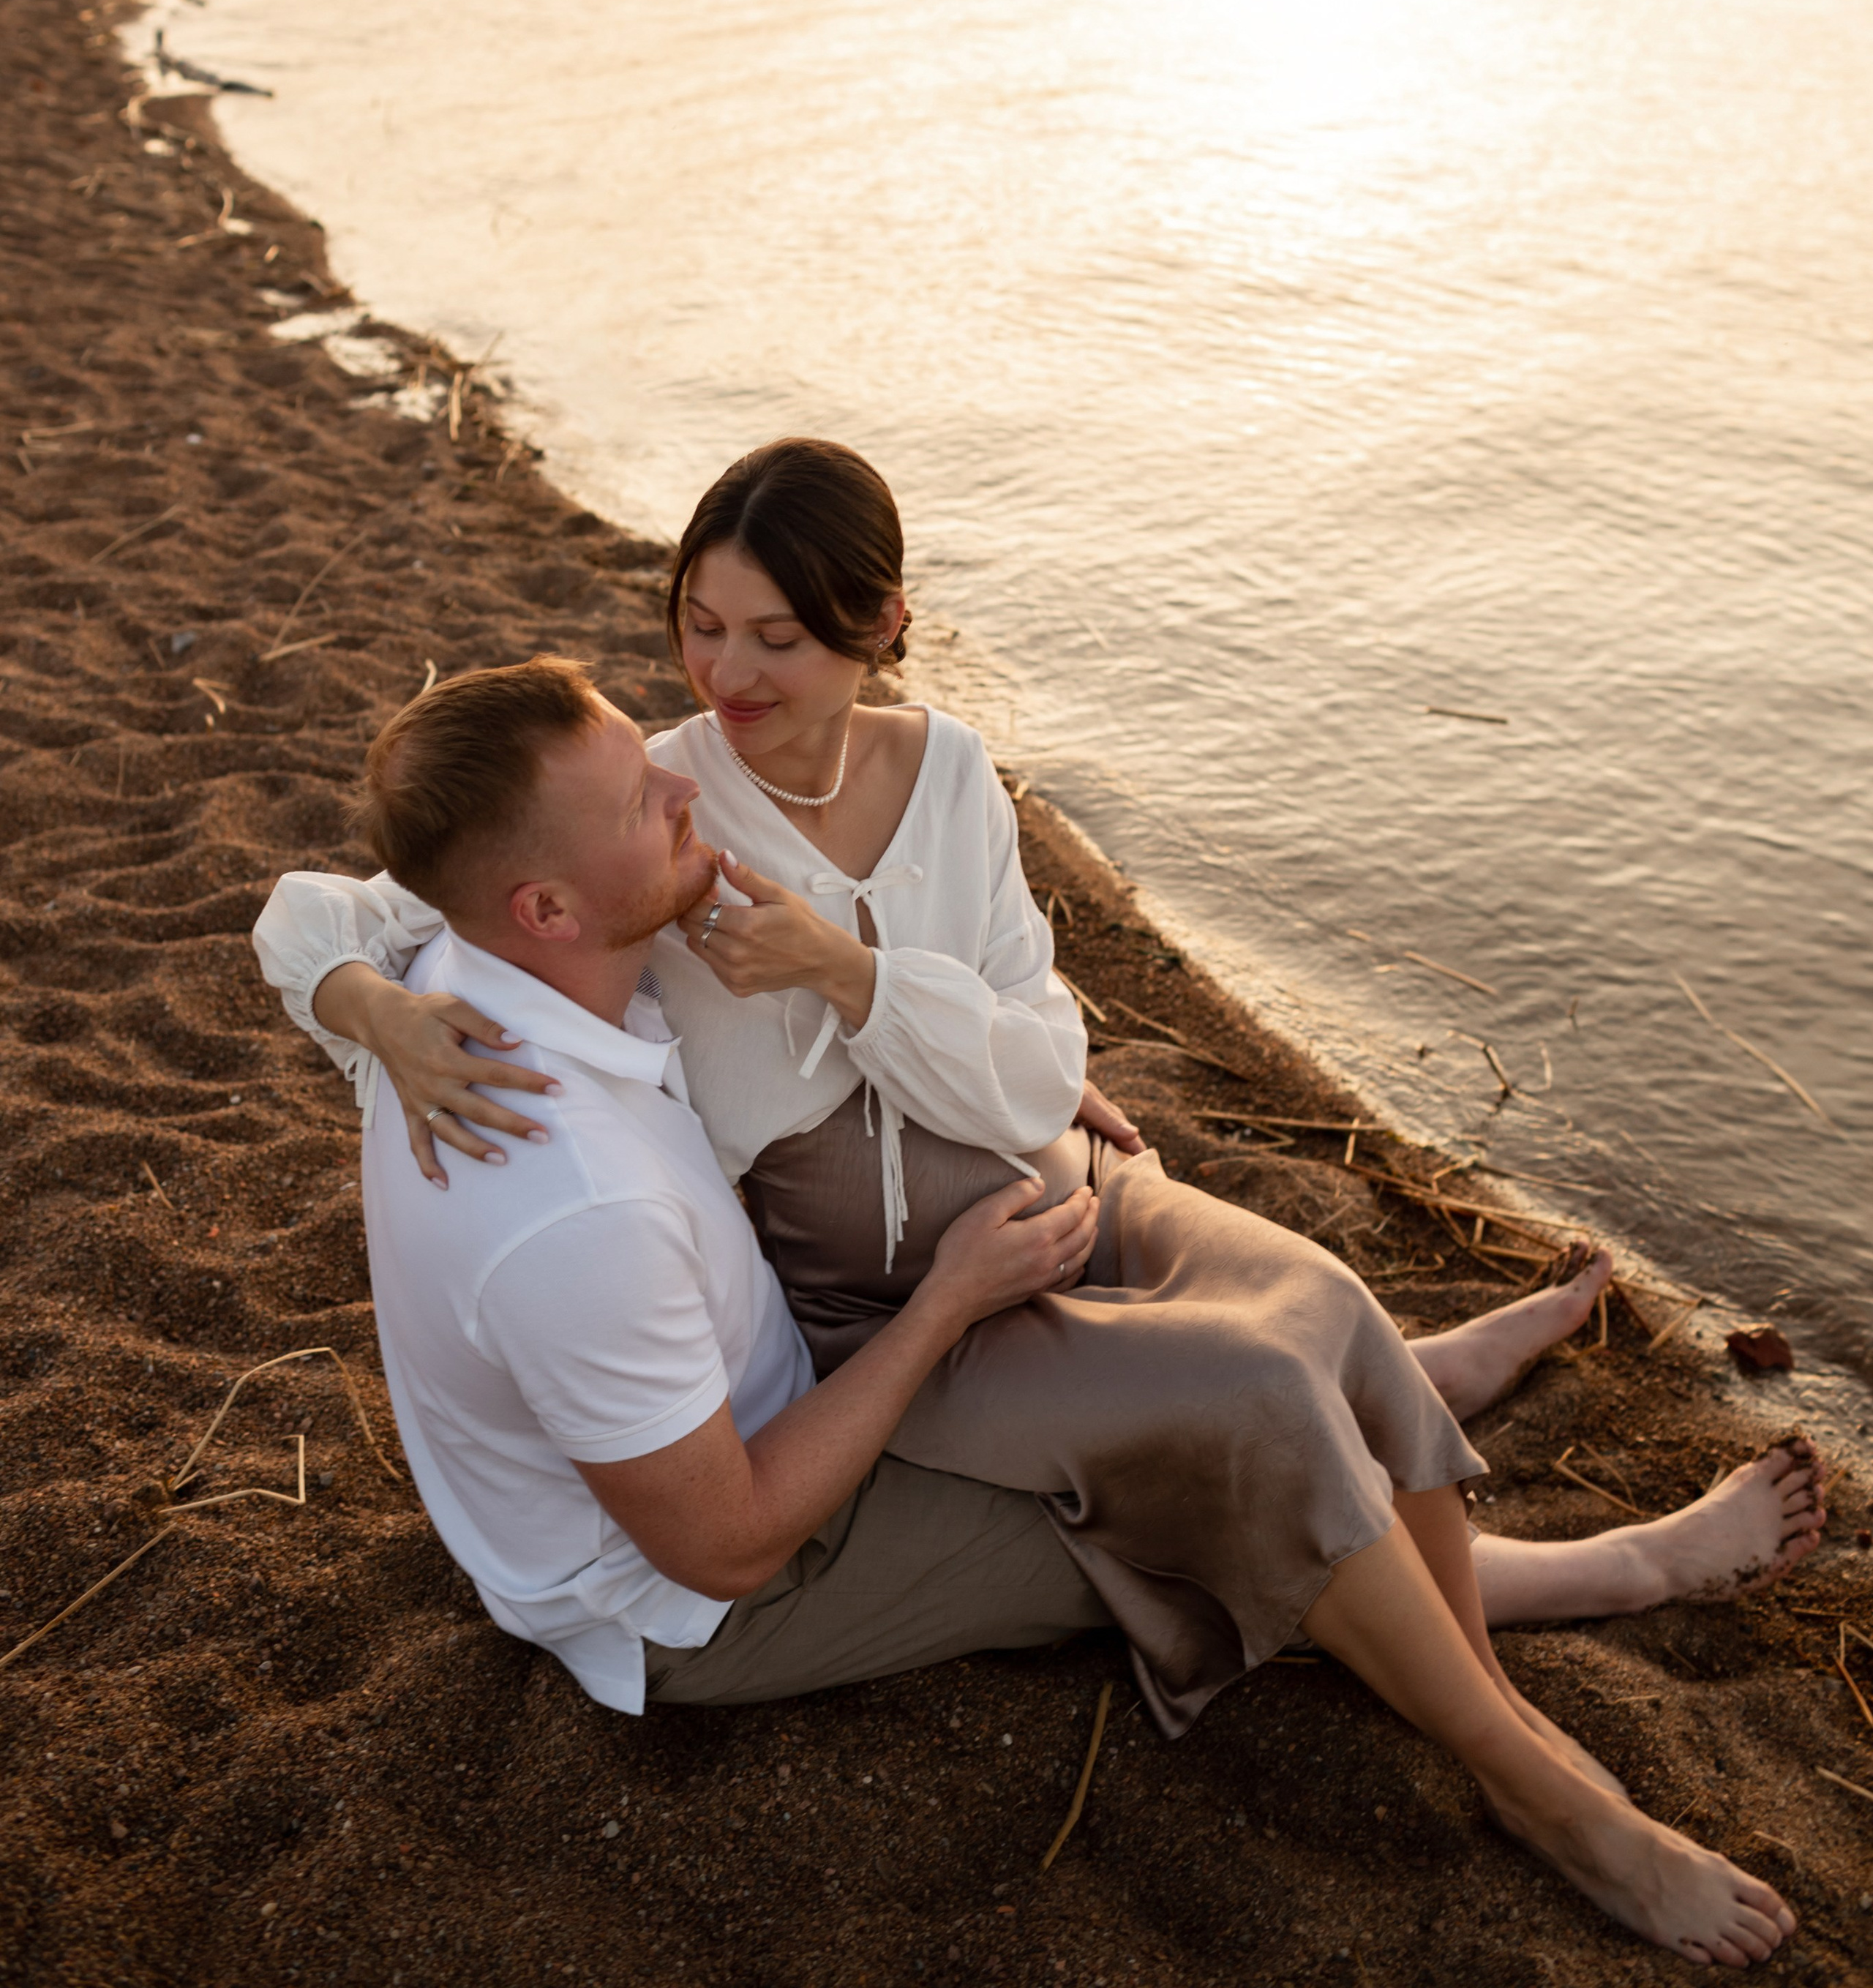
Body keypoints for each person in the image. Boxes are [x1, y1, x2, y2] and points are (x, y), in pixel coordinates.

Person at [265, 653, 1796, 1968]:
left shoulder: (469, 988)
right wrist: (945, 1303)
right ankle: (1570, 1727)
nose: (682, 791)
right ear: (540, 903)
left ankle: (1405, 1400)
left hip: (761, 1416)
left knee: (1265, 1365)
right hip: (696, 1600)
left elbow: (314, 908)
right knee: (1214, 1484)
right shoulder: (566, 1204)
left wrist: (359, 1000)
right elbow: (719, 1545)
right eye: (639, 802)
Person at [255, 443, 1826, 1654]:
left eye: (778, 639)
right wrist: (375, 1013)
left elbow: (1031, 1057)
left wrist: (854, 975)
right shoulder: (647, 818)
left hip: (1030, 1187)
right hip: (873, 1296)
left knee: (1318, 1303)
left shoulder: (947, 776)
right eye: (699, 626)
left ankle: (1424, 1371)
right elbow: (326, 906)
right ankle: (1593, 1567)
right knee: (1227, 1449)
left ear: (877, 628)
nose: (724, 678)